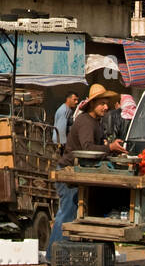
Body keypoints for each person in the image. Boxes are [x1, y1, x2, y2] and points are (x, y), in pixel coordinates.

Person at [48, 85, 125, 252]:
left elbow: (100, 145)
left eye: (107, 104)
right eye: (102, 103)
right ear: (92, 104)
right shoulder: (85, 122)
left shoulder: (97, 122)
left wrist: (109, 146)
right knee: (67, 213)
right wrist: (109, 147)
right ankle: (52, 255)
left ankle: (66, 253)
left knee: (73, 213)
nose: (106, 107)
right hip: (68, 172)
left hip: (80, 173)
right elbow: (88, 148)